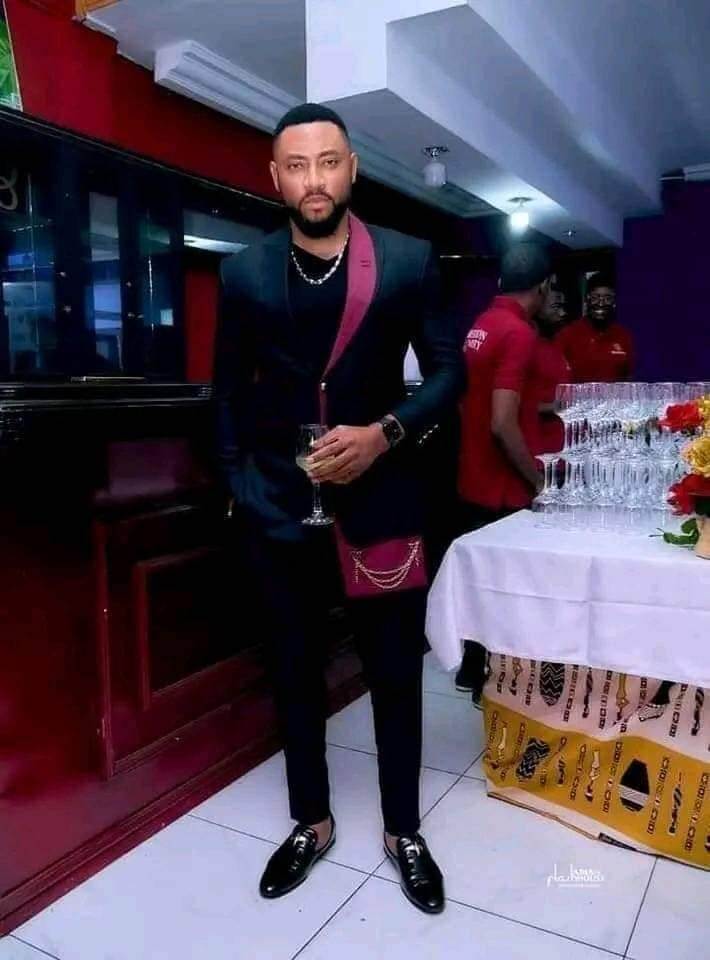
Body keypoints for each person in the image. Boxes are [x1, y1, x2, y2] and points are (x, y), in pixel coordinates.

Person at [214, 103, 462, 914]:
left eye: (328, 162)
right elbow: (227, 391)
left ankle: (402, 830)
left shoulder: (406, 260)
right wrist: (238, 485)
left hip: (381, 498)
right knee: (293, 671)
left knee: (394, 674)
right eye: (296, 166)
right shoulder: (245, 274)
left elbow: (448, 373)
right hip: (280, 508)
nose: (313, 180)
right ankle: (311, 822)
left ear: (352, 168)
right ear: (275, 176)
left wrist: (386, 433)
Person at [454, 243, 551, 699]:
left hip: (471, 476)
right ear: (543, 286)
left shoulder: (482, 323)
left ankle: (471, 670)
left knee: (481, 585)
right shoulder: (519, 333)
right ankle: (494, 690)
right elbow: (501, 422)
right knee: (508, 592)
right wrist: (539, 481)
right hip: (503, 488)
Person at [556, 272, 633, 382]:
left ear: (614, 302)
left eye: (607, 298)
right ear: (587, 300)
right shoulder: (567, 335)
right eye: (595, 298)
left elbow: (628, 379)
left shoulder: (623, 336)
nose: (601, 303)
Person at [534, 286, 571, 455]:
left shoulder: (557, 343)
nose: (563, 313)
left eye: (563, 307)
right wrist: (554, 407)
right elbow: (511, 406)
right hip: (538, 451)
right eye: (556, 307)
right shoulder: (526, 344)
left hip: (561, 447)